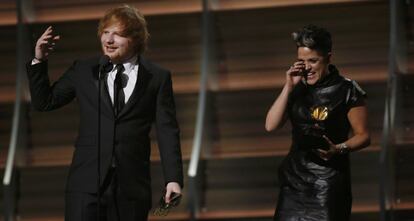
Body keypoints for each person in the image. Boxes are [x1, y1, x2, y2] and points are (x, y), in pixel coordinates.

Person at [26, 5, 183, 221]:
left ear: (135, 39)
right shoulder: (84, 69)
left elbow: (167, 131)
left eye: (117, 34)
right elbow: (45, 102)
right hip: (85, 185)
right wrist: (39, 60)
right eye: (105, 32)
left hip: (131, 187)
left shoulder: (157, 77)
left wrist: (173, 178)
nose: (108, 40)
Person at [265, 25, 370, 221]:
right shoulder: (298, 88)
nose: (307, 67)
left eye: (313, 61)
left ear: (328, 58)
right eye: (301, 61)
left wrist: (338, 148)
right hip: (294, 182)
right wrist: (288, 87)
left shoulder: (347, 90)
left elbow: (364, 136)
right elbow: (271, 125)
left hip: (327, 185)